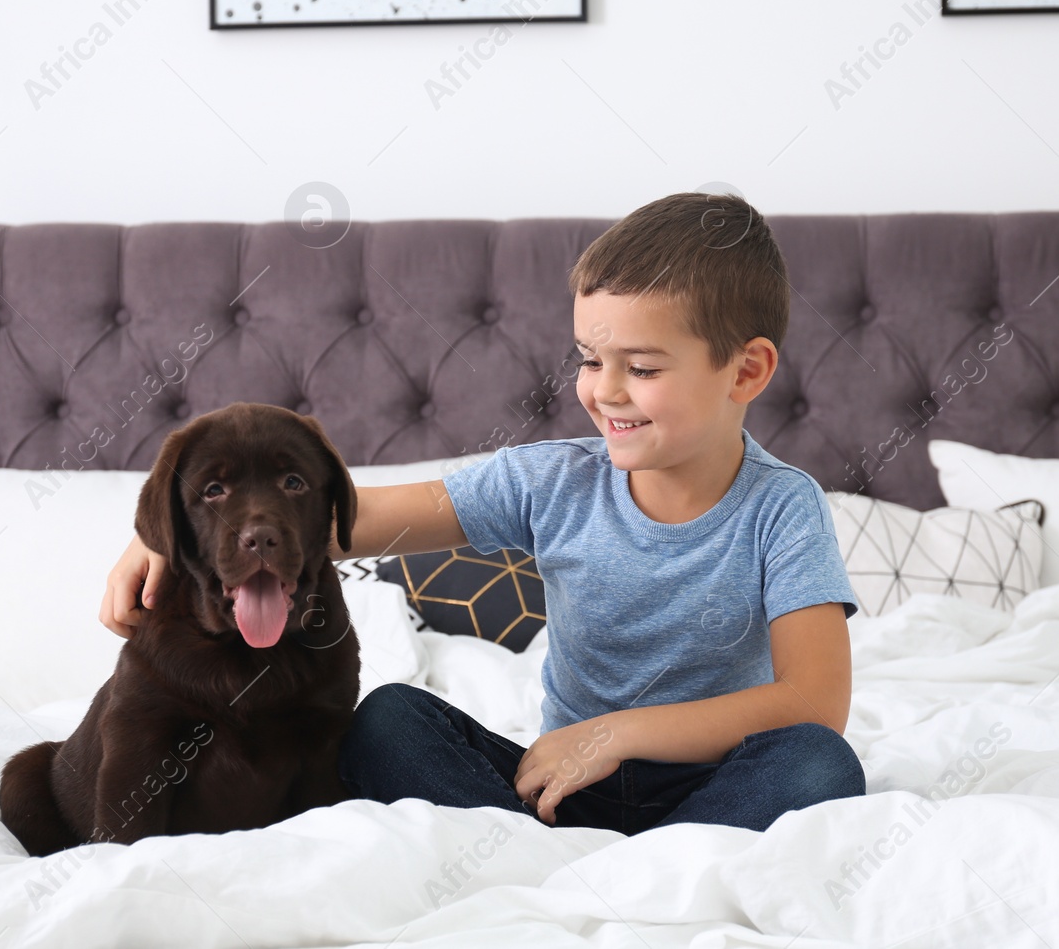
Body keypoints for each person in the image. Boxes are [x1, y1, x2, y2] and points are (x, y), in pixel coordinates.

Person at [100, 190, 865, 836]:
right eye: (591, 360)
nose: (605, 390)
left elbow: (813, 701)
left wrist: (617, 732)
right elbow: (344, 523)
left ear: (749, 369)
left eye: (643, 366)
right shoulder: (551, 480)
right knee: (390, 718)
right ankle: (551, 858)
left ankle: (636, 866)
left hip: (716, 788)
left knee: (818, 761)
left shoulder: (782, 508)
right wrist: (164, 537)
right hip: (557, 792)